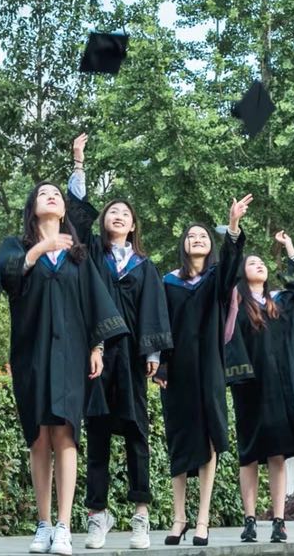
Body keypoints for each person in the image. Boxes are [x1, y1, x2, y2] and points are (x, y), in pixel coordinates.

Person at [0, 177, 127, 556]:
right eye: (43, 193)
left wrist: (97, 346)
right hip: (31, 353)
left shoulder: (78, 255)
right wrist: (41, 249)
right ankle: (43, 524)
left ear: (64, 208)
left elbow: (93, 302)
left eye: (56, 194)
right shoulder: (16, 247)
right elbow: (6, 277)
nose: (52, 196)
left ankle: (65, 526)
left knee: (66, 435)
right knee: (39, 437)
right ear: (32, 207)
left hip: (70, 353)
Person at [64, 134, 172, 551]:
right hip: (97, 354)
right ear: (104, 221)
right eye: (113, 211)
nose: (119, 216)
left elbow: (154, 310)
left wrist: (154, 353)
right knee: (97, 435)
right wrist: (79, 163)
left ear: (133, 225)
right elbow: (76, 214)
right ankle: (97, 515)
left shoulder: (145, 266)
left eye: (126, 213)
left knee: (136, 434)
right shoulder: (92, 252)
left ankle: (141, 514)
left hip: (130, 358)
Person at [158, 193, 252, 547]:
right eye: (191, 236)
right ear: (183, 246)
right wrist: (161, 365)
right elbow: (160, 326)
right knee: (179, 439)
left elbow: (231, 264)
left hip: (210, 368)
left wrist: (233, 225)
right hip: (177, 370)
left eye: (202, 236)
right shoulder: (168, 282)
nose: (197, 239)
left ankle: (202, 519)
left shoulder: (216, 279)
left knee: (209, 437)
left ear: (210, 245)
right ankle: (179, 517)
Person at [226, 231, 294, 544]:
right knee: (249, 455)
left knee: (277, 455)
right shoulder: (235, 304)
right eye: (252, 262)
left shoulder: (281, 302)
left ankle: (279, 521)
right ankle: (249, 520)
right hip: (249, 386)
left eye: (262, 262)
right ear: (242, 273)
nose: (260, 265)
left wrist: (292, 252)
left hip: (280, 389)